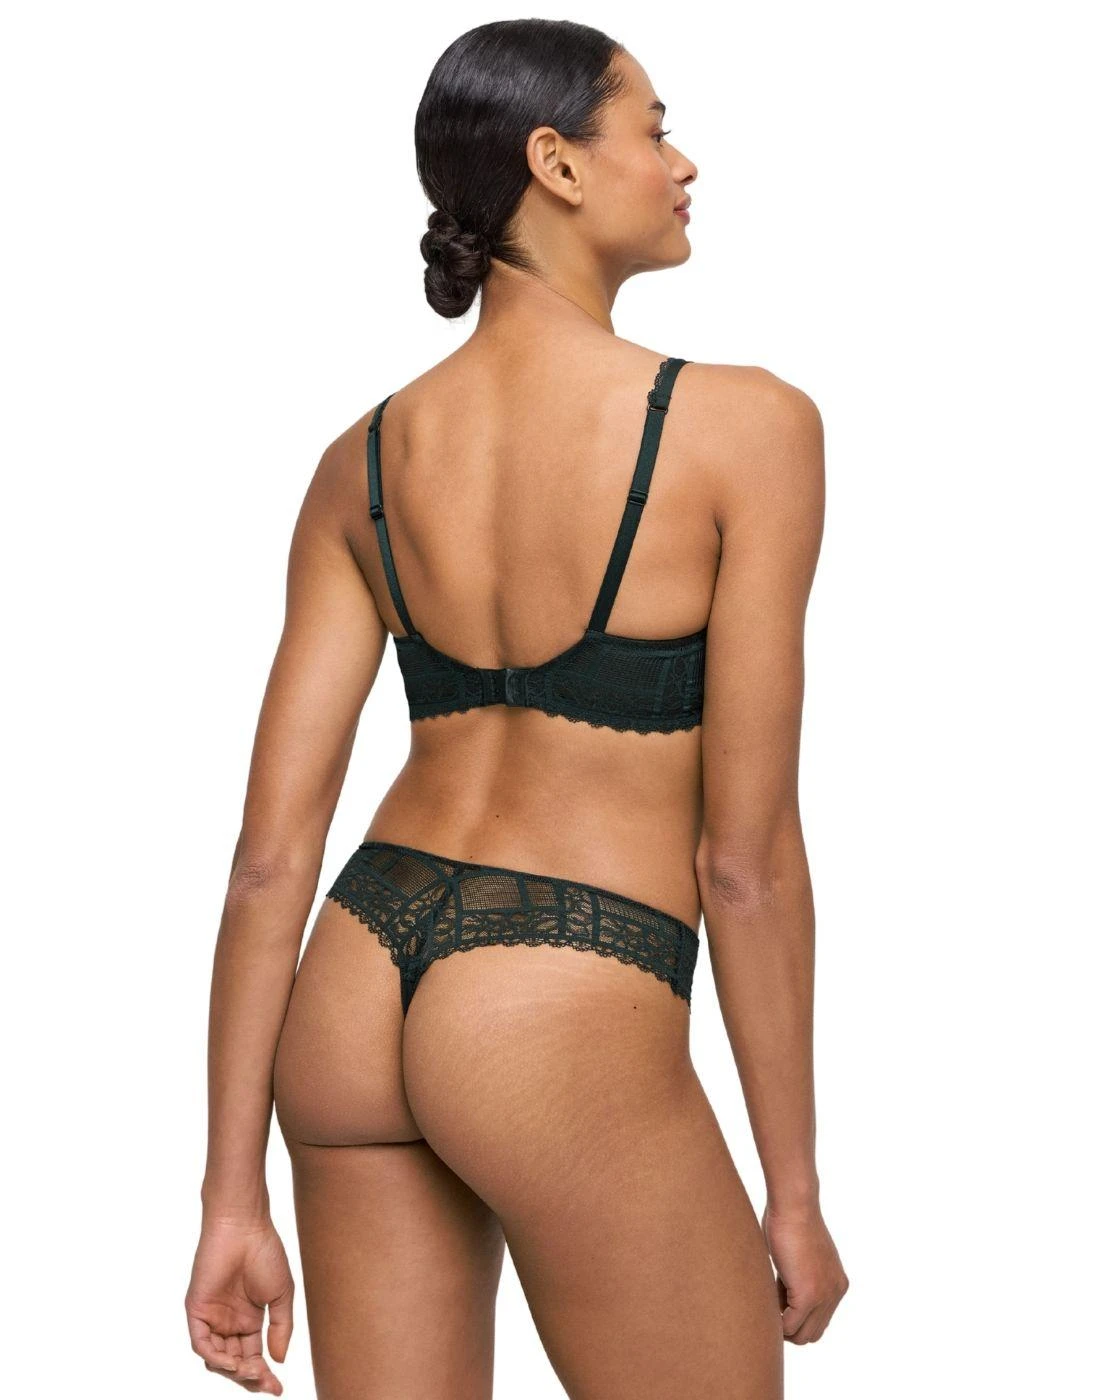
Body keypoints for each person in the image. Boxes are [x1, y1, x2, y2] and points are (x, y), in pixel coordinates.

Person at [185, 18, 847, 1398]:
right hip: (561, 998)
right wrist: (791, 1189)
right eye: (654, 128)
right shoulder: (747, 428)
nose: (684, 164)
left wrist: (229, 1196)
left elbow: (266, 862)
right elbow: (746, 862)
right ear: (557, 162)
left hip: (353, 984)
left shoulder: (361, 461)